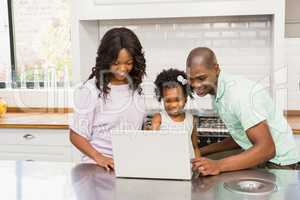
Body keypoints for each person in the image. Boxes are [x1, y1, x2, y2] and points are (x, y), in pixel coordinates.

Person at [186, 47, 300, 176]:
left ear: (216, 69)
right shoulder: (217, 94)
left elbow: (267, 149)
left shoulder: (239, 95)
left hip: (281, 165)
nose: (195, 85)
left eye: (201, 78)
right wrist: (200, 150)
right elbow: (241, 137)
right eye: (191, 79)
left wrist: (217, 165)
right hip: (264, 156)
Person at [69, 27, 146, 172]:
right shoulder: (91, 90)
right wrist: (99, 157)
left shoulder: (136, 87)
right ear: (106, 60)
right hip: (99, 167)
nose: (122, 69)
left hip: (129, 166)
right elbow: (75, 135)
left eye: (128, 63)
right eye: (116, 63)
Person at [150, 68, 201, 159]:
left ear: (185, 98)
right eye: (168, 101)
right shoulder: (159, 118)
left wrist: (199, 164)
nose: (173, 105)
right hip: (167, 162)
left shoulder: (191, 119)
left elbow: (195, 147)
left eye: (177, 100)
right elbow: (152, 143)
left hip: (188, 165)